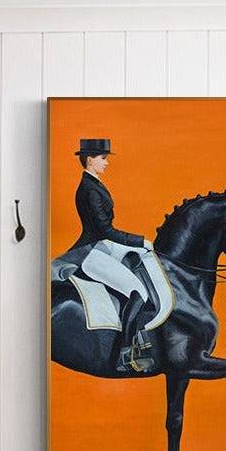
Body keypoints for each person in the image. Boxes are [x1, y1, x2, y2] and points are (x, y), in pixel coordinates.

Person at [62, 138, 155, 372]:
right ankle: (127, 353)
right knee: (138, 291)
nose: (107, 162)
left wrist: (140, 246)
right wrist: (139, 240)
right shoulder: (89, 189)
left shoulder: (94, 183)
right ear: (90, 160)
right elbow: (105, 230)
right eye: (103, 158)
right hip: (93, 250)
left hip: (104, 244)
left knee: (145, 257)